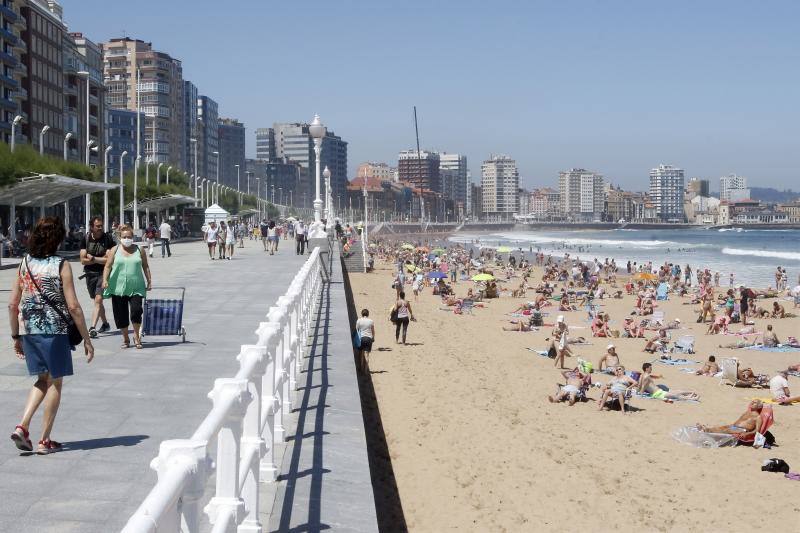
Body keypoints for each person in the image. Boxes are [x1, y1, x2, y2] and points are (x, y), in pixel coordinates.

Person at [9, 216, 94, 454]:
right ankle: (44, 441)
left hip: (30, 329)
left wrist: (16, 337)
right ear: (57, 239)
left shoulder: (24, 263)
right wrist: (87, 339)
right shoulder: (60, 264)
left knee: (41, 379)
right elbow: (74, 306)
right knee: (55, 381)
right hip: (54, 330)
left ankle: (22, 426)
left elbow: (12, 304)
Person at [102, 225, 152, 349]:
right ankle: (125, 338)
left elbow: (145, 266)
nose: (127, 239)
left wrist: (149, 280)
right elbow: (107, 266)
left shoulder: (140, 250)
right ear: (120, 238)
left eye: (129, 237)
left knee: (136, 311)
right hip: (117, 287)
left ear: (133, 237)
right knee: (120, 314)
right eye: (124, 237)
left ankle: (136, 336)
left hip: (136, 287)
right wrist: (105, 280)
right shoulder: (114, 250)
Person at [79, 216, 114, 338]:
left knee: (98, 300)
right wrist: (101, 259)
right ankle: (105, 324)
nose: (100, 228)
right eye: (97, 226)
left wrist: (93, 258)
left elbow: (109, 261)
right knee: (96, 301)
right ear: (92, 227)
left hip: (103, 274)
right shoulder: (86, 238)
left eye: (101, 225)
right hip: (89, 275)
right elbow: (82, 260)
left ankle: (92, 327)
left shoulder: (108, 239)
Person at [697, 400, 764, 435]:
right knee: (720, 427)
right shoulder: (747, 412)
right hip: (734, 426)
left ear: (758, 406)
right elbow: (739, 421)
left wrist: (747, 434)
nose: (752, 403)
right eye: (752, 401)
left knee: (726, 430)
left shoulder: (758, 417)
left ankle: (706, 430)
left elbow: (757, 431)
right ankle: (707, 429)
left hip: (742, 430)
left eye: (754, 402)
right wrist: (731, 425)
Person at [355, 309, 375, 373]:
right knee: (367, 354)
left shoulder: (359, 320)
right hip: (368, 338)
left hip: (361, 338)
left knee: (361, 353)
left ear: (362, 314)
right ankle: (366, 370)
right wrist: (373, 337)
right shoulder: (371, 321)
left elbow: (357, 329)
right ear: (368, 314)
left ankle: (361, 367)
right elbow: (373, 331)